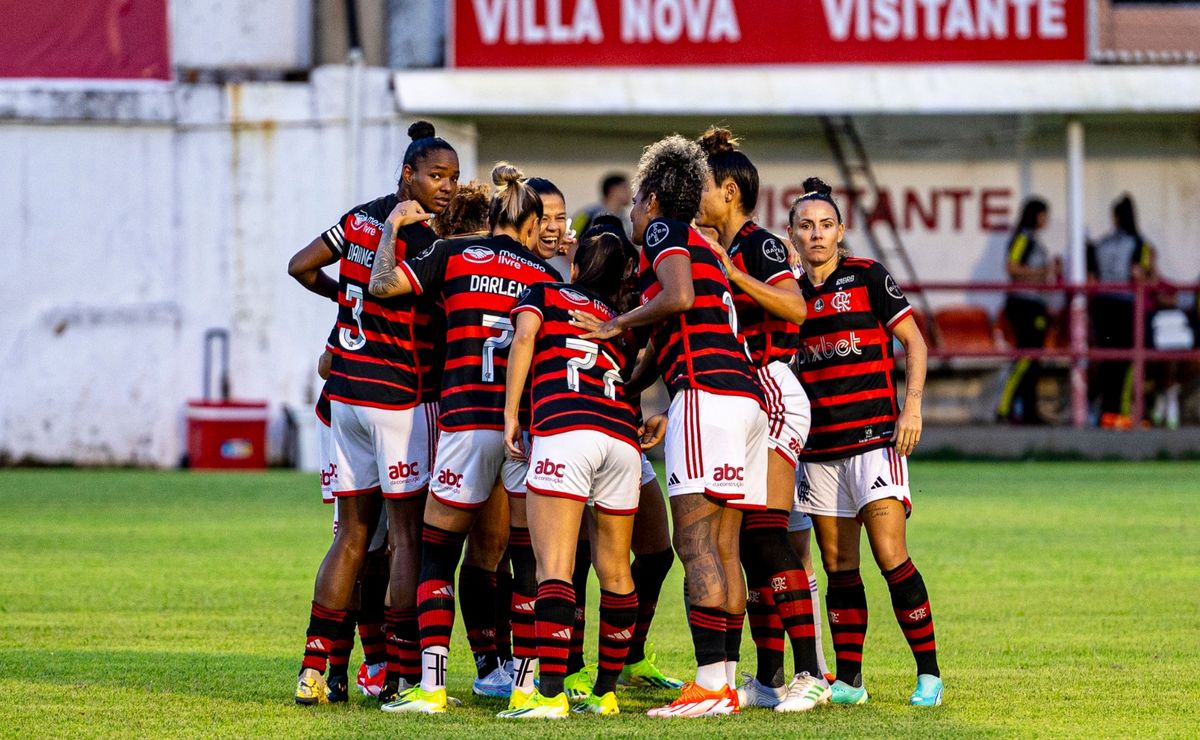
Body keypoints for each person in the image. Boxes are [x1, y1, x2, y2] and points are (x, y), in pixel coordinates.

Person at [571, 135, 767, 718]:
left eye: (635, 202)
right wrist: (628, 391)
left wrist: (611, 328)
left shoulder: (665, 232)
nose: (632, 213)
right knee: (724, 546)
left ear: (653, 200)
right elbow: (670, 330)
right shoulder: (704, 246)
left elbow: (676, 301)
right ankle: (725, 682)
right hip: (744, 397)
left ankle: (707, 685)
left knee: (695, 543)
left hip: (706, 394)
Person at [368, 163, 562, 715]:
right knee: (527, 559)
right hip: (525, 429)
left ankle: (430, 687)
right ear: (529, 227)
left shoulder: (453, 255)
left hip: (463, 422)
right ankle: (525, 686)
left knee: (437, 554)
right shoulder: (544, 276)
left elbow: (383, 287)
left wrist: (390, 231)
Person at [285, 121, 460, 704]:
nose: (446, 187)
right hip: (399, 400)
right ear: (407, 174)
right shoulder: (425, 238)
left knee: (354, 534)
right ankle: (405, 673)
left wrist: (343, 298)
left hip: (344, 400)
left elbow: (300, 265)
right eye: (436, 176)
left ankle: (315, 668)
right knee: (407, 538)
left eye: (453, 179)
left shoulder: (359, 217)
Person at [786, 178, 942, 708]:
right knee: (838, 567)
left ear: (840, 231)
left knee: (891, 555)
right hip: (818, 449)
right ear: (792, 234)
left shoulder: (868, 277)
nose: (817, 235)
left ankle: (929, 675)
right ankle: (850, 681)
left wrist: (913, 407)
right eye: (806, 226)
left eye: (826, 225)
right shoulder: (788, 296)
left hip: (876, 441)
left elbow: (915, 342)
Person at [694, 127, 829, 712]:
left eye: (701, 186)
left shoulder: (761, 244)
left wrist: (733, 272)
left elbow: (797, 308)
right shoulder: (715, 246)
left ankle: (812, 676)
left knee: (768, 534)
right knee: (751, 544)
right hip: (744, 396)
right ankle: (770, 678)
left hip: (773, 385)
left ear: (728, 190)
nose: (695, 196)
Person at [495, 232, 657, 718]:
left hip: (565, 433)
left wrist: (510, 414)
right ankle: (605, 692)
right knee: (616, 568)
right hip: (621, 442)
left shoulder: (543, 292)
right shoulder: (619, 324)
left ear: (578, 265)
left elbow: (524, 338)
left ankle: (548, 696)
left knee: (555, 566)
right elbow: (634, 376)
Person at [1088, 194, 1157, 428]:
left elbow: (1092, 278)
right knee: (1129, 360)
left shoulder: (1102, 244)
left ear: (1115, 218)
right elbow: (1144, 276)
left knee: (1108, 361)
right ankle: (1126, 413)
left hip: (1102, 306)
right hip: (1126, 306)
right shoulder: (1140, 244)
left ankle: (1106, 413)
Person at [996, 198, 1058, 425]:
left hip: (1033, 304)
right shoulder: (1023, 238)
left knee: (1033, 359)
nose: (1046, 220)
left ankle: (1028, 411)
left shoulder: (1032, 239)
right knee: (1026, 357)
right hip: (1024, 304)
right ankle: (1005, 407)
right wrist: (1044, 271)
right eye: (1044, 215)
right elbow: (1011, 267)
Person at [571, 172, 632, 238]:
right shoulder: (587, 214)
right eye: (625, 188)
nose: (630, 192)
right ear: (613, 190)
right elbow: (570, 238)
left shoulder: (625, 219)